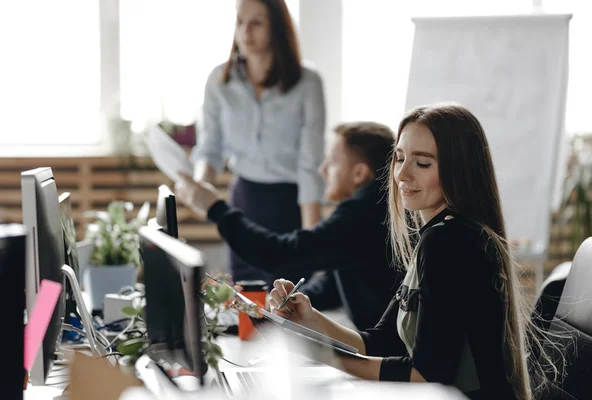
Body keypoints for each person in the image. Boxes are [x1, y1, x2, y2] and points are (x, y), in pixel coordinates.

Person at [266, 104, 555, 400]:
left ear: (458, 169)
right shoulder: (439, 233)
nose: (401, 174)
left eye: (423, 163)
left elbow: (427, 376)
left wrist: (321, 353)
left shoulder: (449, 242)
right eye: (400, 158)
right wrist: (310, 319)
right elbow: (380, 342)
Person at [177, 122, 401, 330]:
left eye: (332, 162)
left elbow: (280, 253)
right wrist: (280, 305)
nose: (323, 170)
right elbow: (333, 283)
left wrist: (216, 209)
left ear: (359, 173)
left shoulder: (361, 212)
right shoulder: (376, 206)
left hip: (384, 357)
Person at [190, 0, 326, 285]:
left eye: (256, 23)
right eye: (240, 21)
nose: (245, 31)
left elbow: (310, 165)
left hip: (290, 204)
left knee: (290, 306)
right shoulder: (219, 80)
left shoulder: (308, 81)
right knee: (247, 303)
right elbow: (210, 148)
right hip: (244, 201)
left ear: (277, 26)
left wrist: (314, 240)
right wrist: (199, 185)